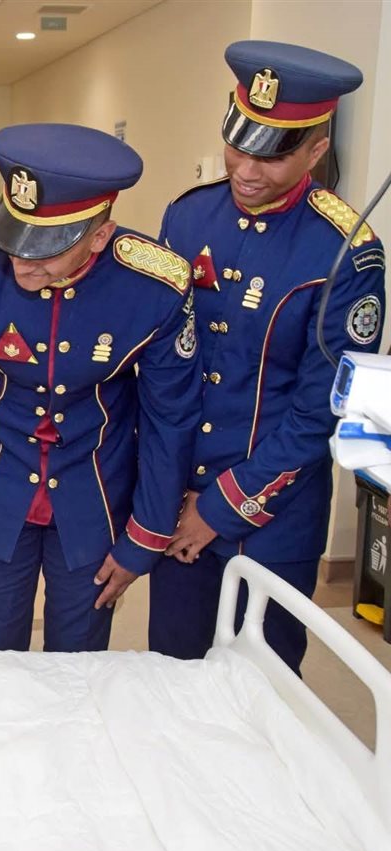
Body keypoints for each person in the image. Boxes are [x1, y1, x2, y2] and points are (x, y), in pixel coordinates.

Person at [0, 124, 203, 652]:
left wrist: (146, 534)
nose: (22, 262)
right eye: (14, 239)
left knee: (79, 665)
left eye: (46, 249)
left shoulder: (155, 286)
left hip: (95, 495)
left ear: (99, 235)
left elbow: (170, 420)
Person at [149, 41, 386, 674]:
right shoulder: (188, 216)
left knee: (263, 687)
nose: (248, 171)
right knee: (172, 675)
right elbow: (165, 363)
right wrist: (164, 489)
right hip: (177, 497)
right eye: (238, 146)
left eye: (274, 155)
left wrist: (218, 508)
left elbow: (319, 410)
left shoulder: (345, 252)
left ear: (316, 150)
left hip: (271, 515)